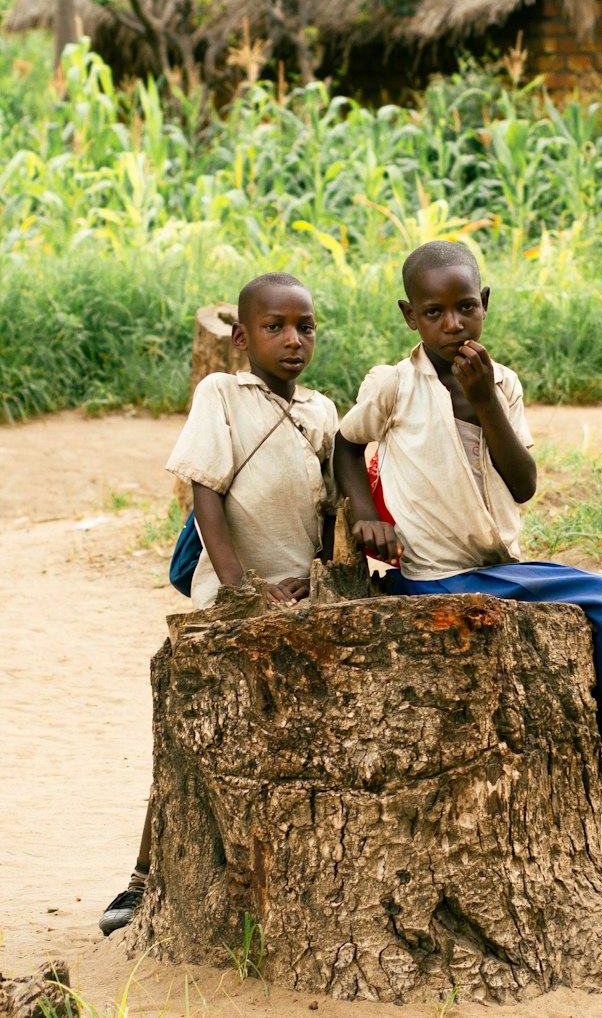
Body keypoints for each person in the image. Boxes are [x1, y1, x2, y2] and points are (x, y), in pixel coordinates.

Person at [334, 241, 602, 840]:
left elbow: (524, 483)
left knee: (595, 599)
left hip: (492, 565)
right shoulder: (393, 385)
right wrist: (364, 513)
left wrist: (485, 399)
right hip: (433, 573)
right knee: (600, 595)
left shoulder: (502, 384)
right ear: (409, 316)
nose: (452, 324)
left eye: (465, 307)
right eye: (433, 313)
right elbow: (346, 443)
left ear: (484, 304)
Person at [99, 272, 339, 935]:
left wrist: (315, 580)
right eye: (274, 327)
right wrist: (238, 589)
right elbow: (205, 491)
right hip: (225, 607)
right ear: (240, 337)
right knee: (188, 741)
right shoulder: (222, 394)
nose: (292, 340)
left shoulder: (322, 410)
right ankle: (143, 878)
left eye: (305, 326)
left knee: (285, 745)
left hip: (297, 606)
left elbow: (325, 514)